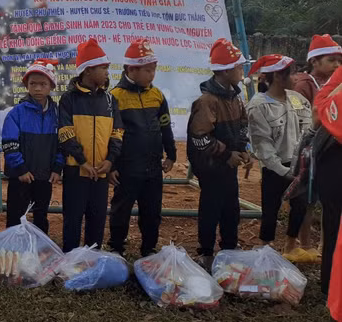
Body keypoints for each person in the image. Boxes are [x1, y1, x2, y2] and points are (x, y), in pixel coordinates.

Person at [187, 38, 253, 269]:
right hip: (212, 168)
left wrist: (243, 149)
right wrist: (227, 155)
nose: (241, 70)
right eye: (238, 66)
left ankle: (229, 248)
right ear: (225, 71)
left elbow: (243, 125)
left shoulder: (235, 97)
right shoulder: (207, 101)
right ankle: (205, 252)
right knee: (211, 208)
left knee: (231, 208)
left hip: (228, 167)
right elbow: (200, 137)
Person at [108, 39, 176, 258]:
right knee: (121, 210)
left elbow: (165, 126)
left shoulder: (157, 95)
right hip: (127, 168)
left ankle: (149, 250)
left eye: (154, 69)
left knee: (152, 211)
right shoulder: (115, 97)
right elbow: (110, 134)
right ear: (131, 69)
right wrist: (112, 165)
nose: (152, 74)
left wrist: (171, 154)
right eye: (147, 70)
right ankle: (116, 248)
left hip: (153, 166)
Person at [58, 38, 123, 252]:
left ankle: (92, 259)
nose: (107, 72)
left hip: (101, 173)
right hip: (76, 170)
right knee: (73, 218)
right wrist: (82, 161)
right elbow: (65, 133)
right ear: (87, 71)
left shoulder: (110, 101)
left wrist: (110, 161)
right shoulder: (68, 99)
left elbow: (117, 133)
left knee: (97, 219)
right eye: (103, 68)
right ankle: (70, 259)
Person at [245, 54, 311, 259]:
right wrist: (284, 171)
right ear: (278, 77)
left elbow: (308, 129)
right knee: (270, 207)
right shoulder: (258, 106)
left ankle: (291, 245)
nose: (296, 77)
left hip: (298, 163)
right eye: (291, 73)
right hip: (275, 166)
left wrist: (304, 162)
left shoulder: (296, 99)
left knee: (300, 204)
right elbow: (262, 145)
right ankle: (265, 246)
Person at [293, 34, 342, 258]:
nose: (336, 65)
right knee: (307, 197)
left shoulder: (331, 82)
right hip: (313, 145)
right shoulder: (303, 84)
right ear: (315, 61)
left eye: (338, 61)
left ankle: (323, 244)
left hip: (328, 147)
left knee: (326, 203)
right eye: (331, 60)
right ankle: (304, 242)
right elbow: (303, 116)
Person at [2, 59, 63, 230]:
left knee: (41, 214)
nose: (37, 88)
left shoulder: (57, 114)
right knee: (15, 214)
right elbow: (9, 143)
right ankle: (13, 251)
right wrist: (20, 169)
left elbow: (62, 143)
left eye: (43, 84)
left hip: (44, 176)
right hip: (20, 176)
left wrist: (57, 167)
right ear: (26, 85)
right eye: (33, 83)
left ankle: (41, 249)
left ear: (51, 86)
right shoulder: (16, 113)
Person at [316, 65, 342, 294]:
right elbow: (321, 108)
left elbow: (322, 107)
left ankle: (330, 285)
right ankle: (331, 285)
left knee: (333, 225)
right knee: (334, 225)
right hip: (334, 158)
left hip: (332, 156)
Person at [294, 34, 342, 104]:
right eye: (331, 60)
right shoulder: (302, 85)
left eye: (340, 61)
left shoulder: (336, 81)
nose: (337, 65)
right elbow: (296, 112)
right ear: (314, 62)